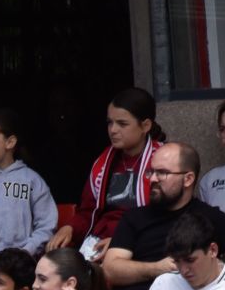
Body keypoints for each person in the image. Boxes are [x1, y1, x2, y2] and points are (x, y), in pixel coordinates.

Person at [106, 140, 225, 290]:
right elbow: (110, 269)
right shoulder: (134, 218)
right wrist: (155, 269)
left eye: (162, 173)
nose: (153, 179)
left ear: (188, 179)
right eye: (151, 172)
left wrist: (214, 268)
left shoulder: (210, 217)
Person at [50, 87, 164, 258]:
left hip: (143, 243)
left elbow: (166, 218)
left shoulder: (164, 161)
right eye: (110, 122)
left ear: (145, 125)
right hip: (99, 241)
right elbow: (88, 211)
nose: (113, 130)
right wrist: (70, 228)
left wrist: (121, 242)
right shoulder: (103, 162)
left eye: (122, 124)